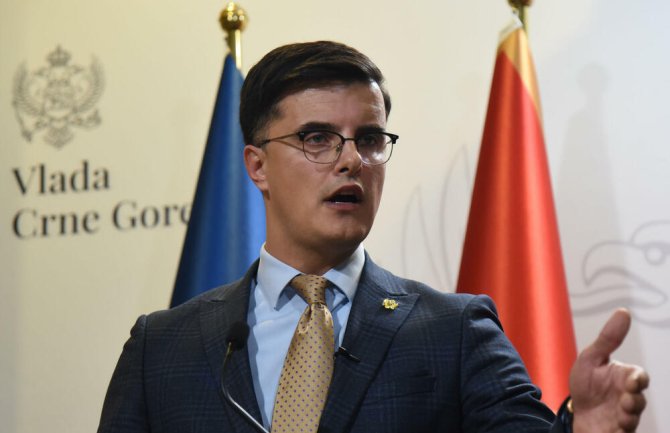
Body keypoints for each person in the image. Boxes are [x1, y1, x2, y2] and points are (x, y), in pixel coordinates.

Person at [98, 41, 649, 433]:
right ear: (257, 166)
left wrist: (581, 426)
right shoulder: (161, 348)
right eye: (317, 138)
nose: (351, 161)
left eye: (368, 139)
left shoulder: (455, 331)